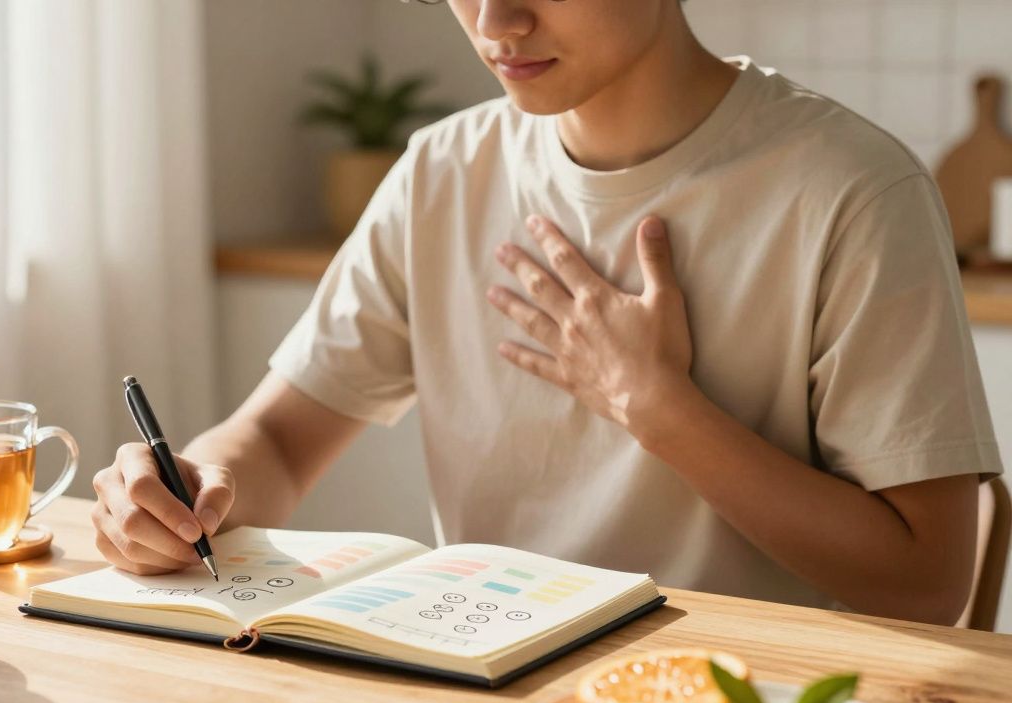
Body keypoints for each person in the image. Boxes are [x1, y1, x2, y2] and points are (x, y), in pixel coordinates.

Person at [92, 0, 1002, 624]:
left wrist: (661, 411)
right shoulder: (441, 172)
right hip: (492, 692)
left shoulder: (853, 191)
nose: (495, 22)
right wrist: (184, 493)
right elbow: (281, 443)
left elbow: (924, 583)